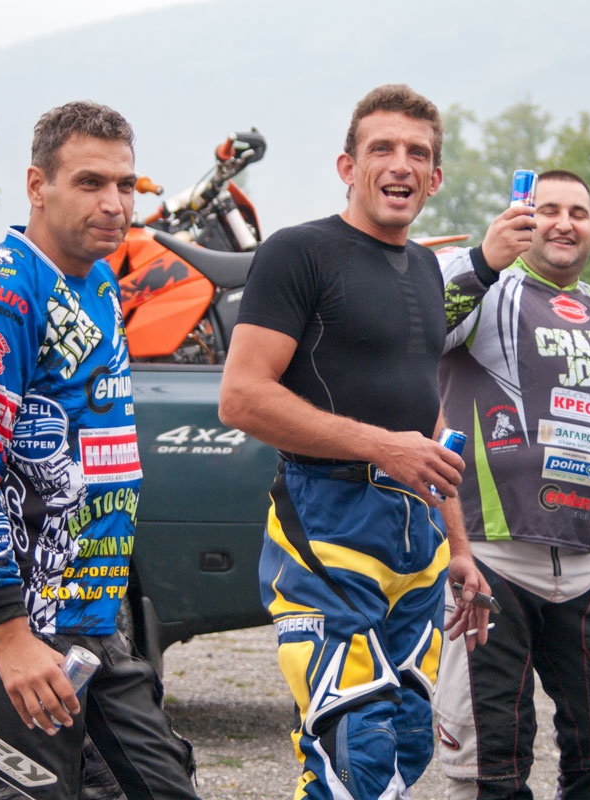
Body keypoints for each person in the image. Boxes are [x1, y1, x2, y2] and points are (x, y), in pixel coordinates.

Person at [0, 101, 199, 800]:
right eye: (90, 182)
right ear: (37, 185)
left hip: (88, 618)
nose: (114, 204)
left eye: (126, 185)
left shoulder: (98, 282)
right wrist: (8, 634)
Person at [218, 84, 491, 800]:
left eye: (418, 154)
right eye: (382, 149)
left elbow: (426, 419)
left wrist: (459, 545)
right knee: (353, 755)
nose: (401, 165)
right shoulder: (298, 252)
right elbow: (241, 396)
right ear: (348, 166)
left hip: (417, 539)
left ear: (434, 178)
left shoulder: (427, 268)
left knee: (406, 747)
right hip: (325, 524)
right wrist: (381, 447)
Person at [432, 170, 590, 800]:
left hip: (584, 566)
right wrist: (484, 261)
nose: (563, 223)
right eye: (548, 210)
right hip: (488, 557)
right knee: (491, 762)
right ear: (524, 219)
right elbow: (419, 327)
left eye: (578, 213)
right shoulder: (484, 287)